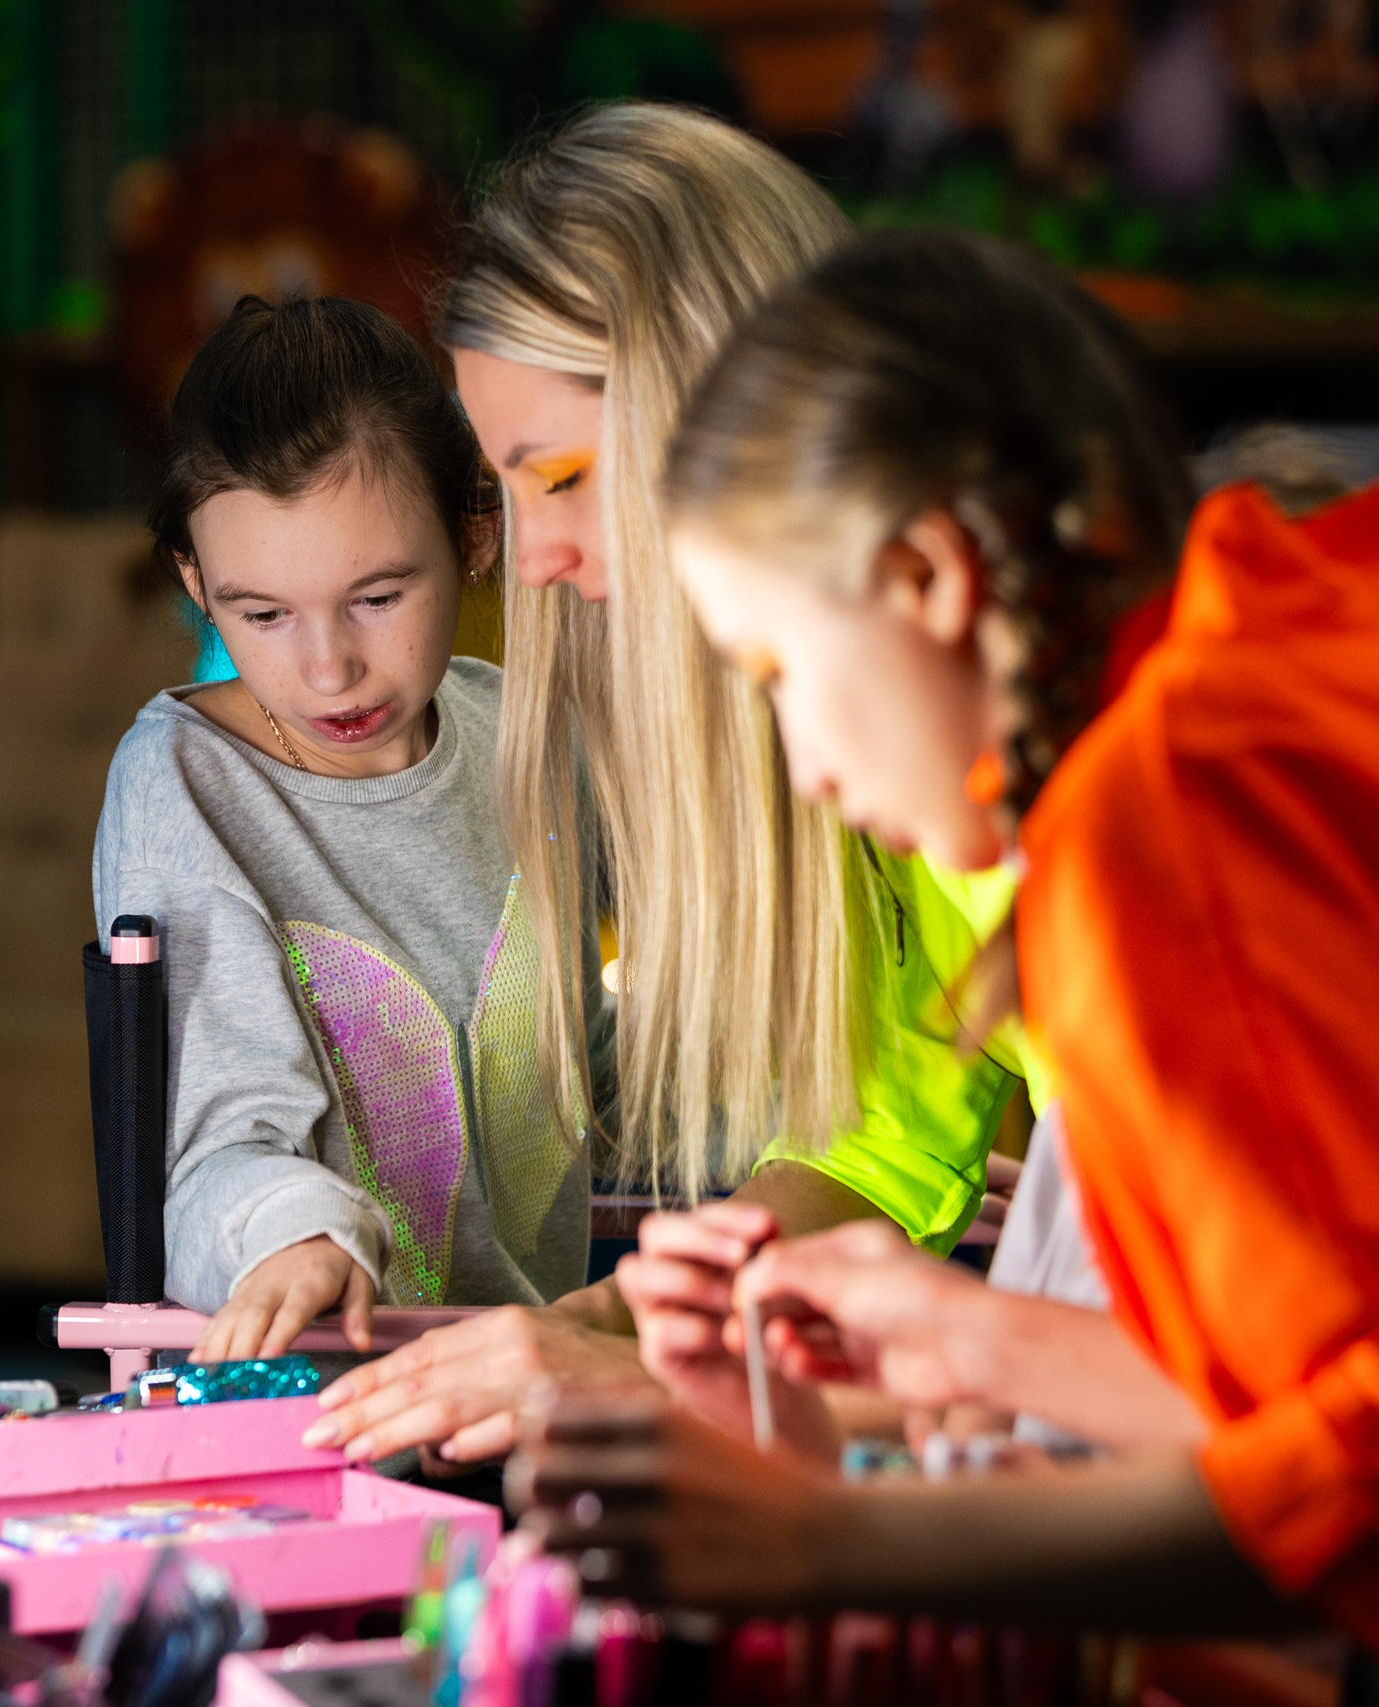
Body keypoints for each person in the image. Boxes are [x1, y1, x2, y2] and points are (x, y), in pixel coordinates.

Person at [511, 227, 1379, 1705]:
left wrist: (834, 1541)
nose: (808, 767)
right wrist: (967, 1336)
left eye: (780, 675)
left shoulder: (1178, 805)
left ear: (933, 576)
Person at [303, 102, 1054, 1471]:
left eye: (569, 479)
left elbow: (1251, 1395)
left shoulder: (1063, 775)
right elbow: (886, 1141)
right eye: (507, 494)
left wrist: (643, 1380)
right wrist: (618, 1317)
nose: (532, 563)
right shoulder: (905, 739)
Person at [93, 295, 604, 1363]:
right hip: (321, 1406)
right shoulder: (183, 784)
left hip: (538, 1379)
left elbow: (604, 1064)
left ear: (473, 538)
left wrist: (823, 1145)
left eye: (375, 597)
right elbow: (211, 1151)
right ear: (196, 583)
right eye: (261, 615)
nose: (327, 669)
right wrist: (295, 1232)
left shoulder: (523, 729)